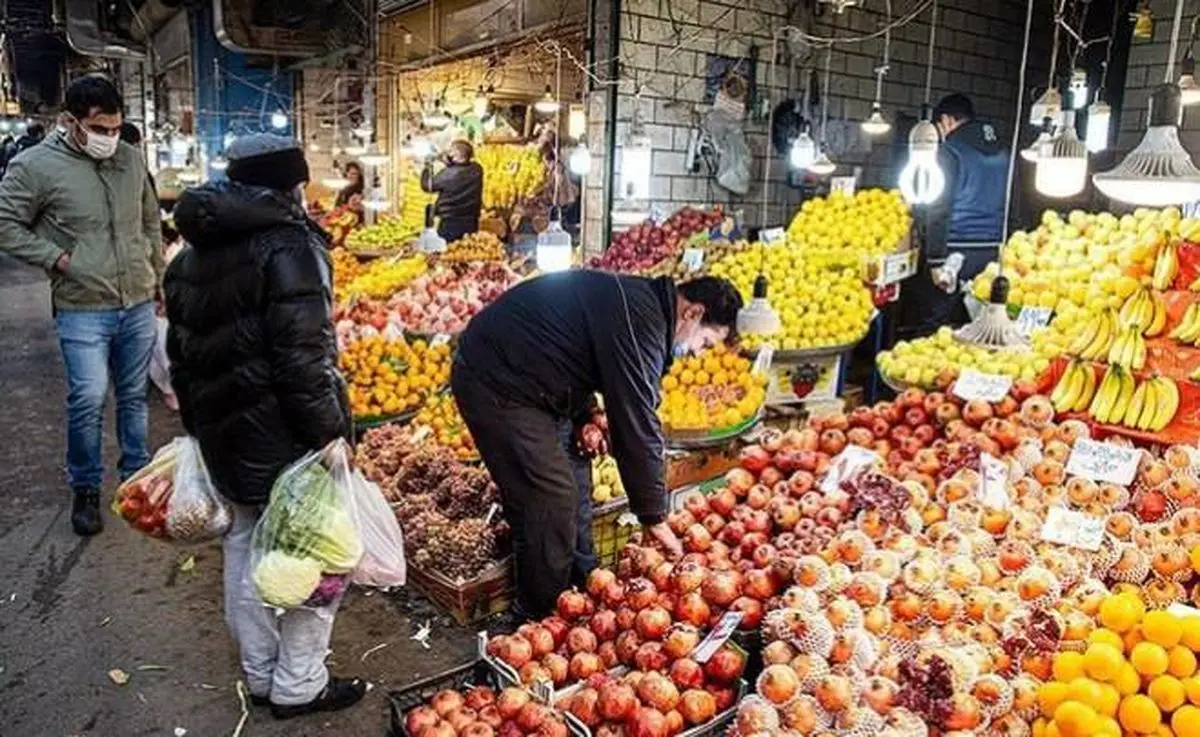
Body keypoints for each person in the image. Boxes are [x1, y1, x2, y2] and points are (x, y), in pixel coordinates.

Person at [164, 133, 364, 719]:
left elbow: (178, 357)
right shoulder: (289, 247)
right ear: (292, 184)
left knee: (246, 545)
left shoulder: (189, 255)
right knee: (314, 554)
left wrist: (202, 430)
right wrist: (330, 432)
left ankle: (259, 674)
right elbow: (303, 357)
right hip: (284, 437)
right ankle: (300, 684)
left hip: (225, 437)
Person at [452, 272, 743, 619]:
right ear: (692, 313)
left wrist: (586, 411)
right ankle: (539, 618)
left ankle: (584, 590)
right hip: (498, 382)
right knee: (551, 500)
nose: (696, 354)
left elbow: (573, 347)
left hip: (539, 383)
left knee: (577, 485)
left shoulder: (644, 307)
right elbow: (636, 423)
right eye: (705, 343)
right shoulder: (645, 321)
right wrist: (653, 516)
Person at [0, 75, 161, 536]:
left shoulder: (130, 159)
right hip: (81, 306)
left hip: (137, 299)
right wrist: (57, 259)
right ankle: (86, 488)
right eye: (99, 128)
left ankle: (135, 478)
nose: (109, 138)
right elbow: (6, 223)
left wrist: (157, 275)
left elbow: (149, 220)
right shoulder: (35, 167)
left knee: (133, 398)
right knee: (88, 398)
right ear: (71, 122)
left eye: (115, 128)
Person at [900, 93, 1008, 337]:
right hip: (992, 252)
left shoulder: (950, 151)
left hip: (954, 251)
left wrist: (936, 260)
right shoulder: (1003, 152)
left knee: (934, 325)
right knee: (977, 329)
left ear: (946, 120)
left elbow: (939, 207)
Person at [421, 139, 484, 242]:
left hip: (450, 223)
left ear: (456, 155)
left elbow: (427, 186)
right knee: (466, 250)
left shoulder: (448, 174)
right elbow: (461, 167)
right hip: (471, 222)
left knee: (447, 253)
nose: (448, 153)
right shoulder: (477, 169)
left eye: (451, 151)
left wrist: (428, 165)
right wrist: (449, 162)